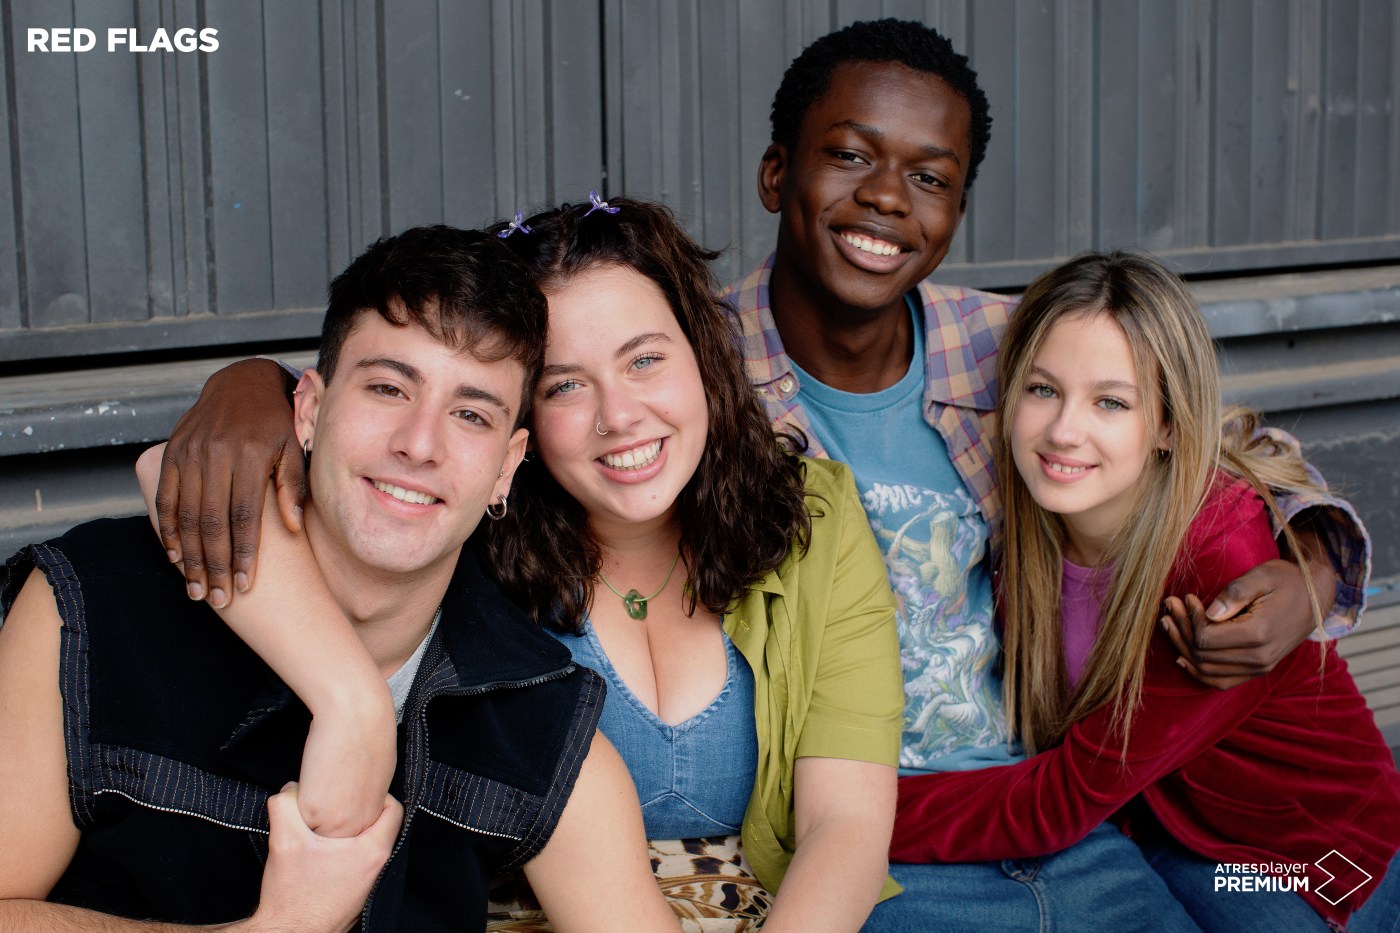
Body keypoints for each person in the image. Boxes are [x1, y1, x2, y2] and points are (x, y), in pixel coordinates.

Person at [719, 17, 1373, 931]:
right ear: (776, 172)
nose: (887, 197)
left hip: (1282, 850)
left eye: (929, 177)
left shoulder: (1007, 340)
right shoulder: (695, 374)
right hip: (1104, 814)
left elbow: (1228, 443)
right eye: (851, 155)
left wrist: (1314, 572)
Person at [144, 198, 903, 932]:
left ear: (703, 357)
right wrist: (251, 386)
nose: (619, 415)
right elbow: (175, 473)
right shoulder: (465, 524)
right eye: (564, 384)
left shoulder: (812, 518)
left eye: (644, 360)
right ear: (520, 422)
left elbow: (844, 824)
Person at [0, 225, 674, 931]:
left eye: (471, 414)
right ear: (310, 409)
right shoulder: (91, 612)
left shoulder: (537, 719)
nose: (419, 443)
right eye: (388, 388)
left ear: (506, 467)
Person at [886, 250, 1400, 931]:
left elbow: (1058, 801)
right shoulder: (1029, 524)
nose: (1064, 431)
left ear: (1166, 424)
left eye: (1111, 401)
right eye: (1042, 389)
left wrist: (855, 816)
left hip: (1308, 852)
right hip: (1158, 820)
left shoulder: (1214, 558)